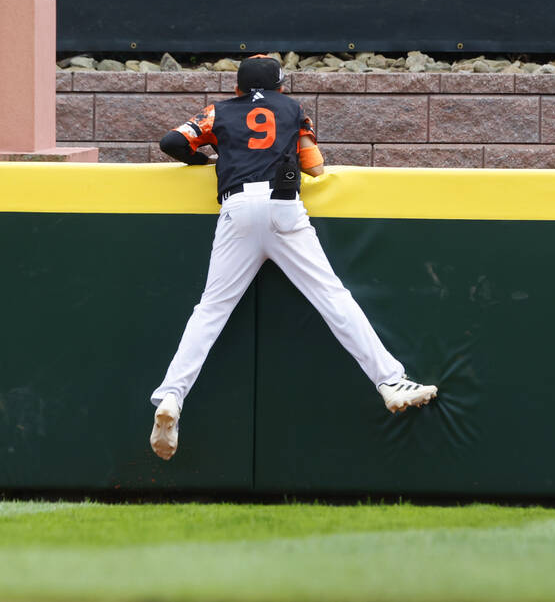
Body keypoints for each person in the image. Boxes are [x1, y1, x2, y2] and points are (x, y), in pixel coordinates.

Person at [149, 54, 436, 460]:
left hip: (236, 209)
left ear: (237, 88)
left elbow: (172, 142)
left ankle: (172, 396)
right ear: (281, 86)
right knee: (333, 298)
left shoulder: (221, 111)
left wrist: (206, 160)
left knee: (210, 311)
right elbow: (315, 167)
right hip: (283, 206)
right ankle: (389, 380)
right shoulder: (292, 109)